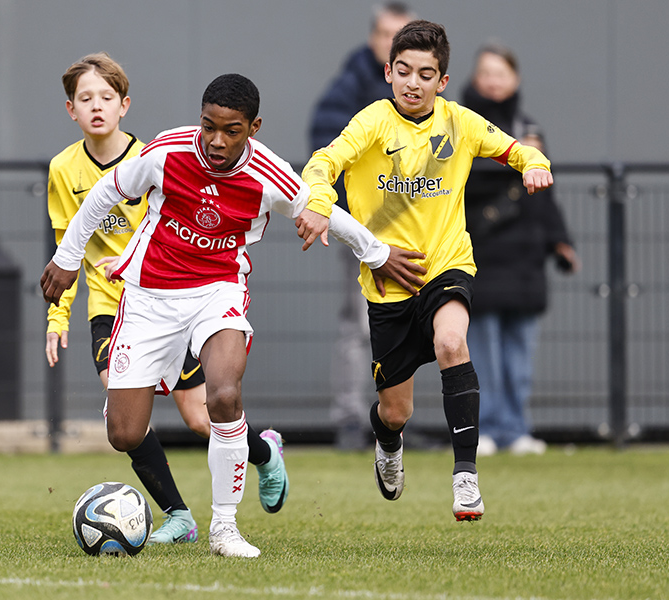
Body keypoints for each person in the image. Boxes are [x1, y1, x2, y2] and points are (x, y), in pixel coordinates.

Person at [42, 73, 419, 556]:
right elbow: (103, 194)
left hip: (217, 293)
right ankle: (262, 451)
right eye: (209, 126)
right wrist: (66, 258)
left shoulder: (268, 173)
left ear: (253, 128)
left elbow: (324, 208)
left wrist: (376, 252)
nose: (217, 140)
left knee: (222, 396)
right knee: (124, 433)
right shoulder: (166, 152)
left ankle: (224, 528)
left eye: (231, 130)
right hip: (149, 296)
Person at [301, 20, 555, 521]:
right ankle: (388, 441)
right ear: (389, 73)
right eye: (403, 71)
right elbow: (322, 163)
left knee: (452, 343)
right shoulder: (372, 122)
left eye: (425, 74)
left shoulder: (460, 122)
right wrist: (318, 201)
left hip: (445, 264)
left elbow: (516, 148)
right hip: (388, 281)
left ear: (442, 81)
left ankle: (466, 478)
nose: (412, 83)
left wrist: (534, 162)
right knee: (396, 411)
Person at [46, 55, 288, 545]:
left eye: (106, 97)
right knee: (122, 421)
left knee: (201, 417)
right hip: (110, 305)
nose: (96, 107)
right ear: (71, 109)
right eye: (85, 98)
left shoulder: (156, 154)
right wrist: (58, 315)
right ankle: (178, 514)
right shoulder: (63, 169)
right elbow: (65, 244)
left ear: (124, 105)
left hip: (176, 299)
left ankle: (263, 453)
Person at [461, 43, 580, 456]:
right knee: (480, 354)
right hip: (480, 254)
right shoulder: (461, 125)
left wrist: (561, 241)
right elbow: (461, 184)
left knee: (520, 356)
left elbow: (545, 195)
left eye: (501, 73)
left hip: (526, 258)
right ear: (474, 78)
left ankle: (516, 429)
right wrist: (514, 155)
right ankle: (485, 429)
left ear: (515, 80)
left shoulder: (529, 126)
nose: (493, 81)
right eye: (486, 73)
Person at [309, 2, 415, 451]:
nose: (394, 44)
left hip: (414, 228)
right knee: (360, 324)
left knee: (409, 324)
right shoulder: (352, 84)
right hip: (364, 230)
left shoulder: (420, 92)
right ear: (374, 38)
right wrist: (356, 218)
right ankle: (352, 420)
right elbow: (326, 147)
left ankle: (396, 419)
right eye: (388, 35)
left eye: (403, 36)